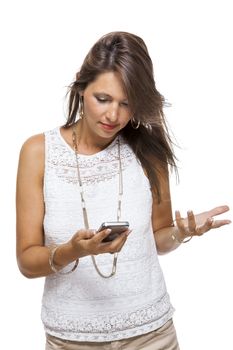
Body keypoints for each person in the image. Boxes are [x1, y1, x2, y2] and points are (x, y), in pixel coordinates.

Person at [16, 31, 231, 350]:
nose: (112, 115)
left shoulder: (148, 149)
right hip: (72, 339)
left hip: (152, 335)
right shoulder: (38, 151)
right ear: (81, 85)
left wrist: (182, 233)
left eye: (126, 103)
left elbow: (158, 238)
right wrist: (75, 250)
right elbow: (27, 260)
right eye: (102, 99)